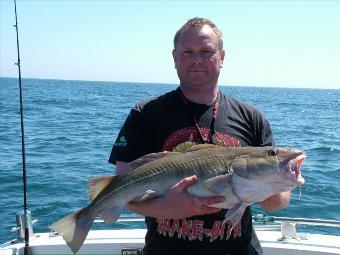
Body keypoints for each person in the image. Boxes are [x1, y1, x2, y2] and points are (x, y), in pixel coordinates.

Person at [109, 17, 291, 255]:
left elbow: (278, 201)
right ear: (174, 57)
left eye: (206, 51)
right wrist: (165, 208)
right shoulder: (144, 114)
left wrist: (266, 186)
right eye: (188, 51)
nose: (197, 59)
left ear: (222, 57)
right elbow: (120, 189)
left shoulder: (251, 117)